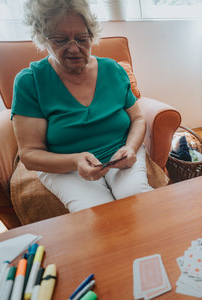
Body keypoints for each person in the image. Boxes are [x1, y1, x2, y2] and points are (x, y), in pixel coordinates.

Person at [11, 0, 153, 212]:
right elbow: (30, 154)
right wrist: (74, 161)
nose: (74, 48)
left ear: (91, 34)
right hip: (64, 167)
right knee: (96, 213)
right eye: (60, 40)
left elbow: (138, 118)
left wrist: (131, 148)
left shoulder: (112, 69)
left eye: (82, 38)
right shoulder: (30, 82)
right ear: (43, 38)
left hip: (119, 154)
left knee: (138, 201)